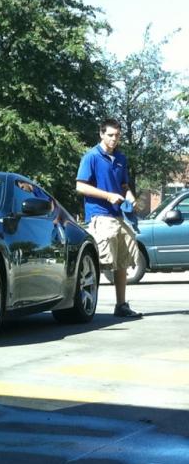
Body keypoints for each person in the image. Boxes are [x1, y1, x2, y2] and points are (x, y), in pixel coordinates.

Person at [76, 118, 142, 318]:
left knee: (122, 261)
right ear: (101, 134)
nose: (114, 139)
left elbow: (123, 186)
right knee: (101, 262)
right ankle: (83, 305)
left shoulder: (121, 158)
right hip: (99, 216)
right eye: (111, 135)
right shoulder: (91, 157)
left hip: (118, 215)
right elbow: (80, 186)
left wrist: (131, 199)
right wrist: (107, 196)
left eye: (117, 136)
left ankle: (121, 305)